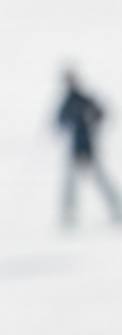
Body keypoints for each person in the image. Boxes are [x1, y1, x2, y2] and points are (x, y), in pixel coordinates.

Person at [56, 68, 122, 226]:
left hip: (89, 147)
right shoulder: (67, 102)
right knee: (70, 182)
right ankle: (68, 212)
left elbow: (102, 113)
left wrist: (92, 115)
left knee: (101, 180)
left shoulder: (86, 99)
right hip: (75, 149)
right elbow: (60, 121)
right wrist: (69, 120)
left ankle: (117, 208)